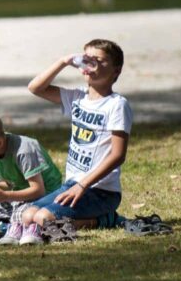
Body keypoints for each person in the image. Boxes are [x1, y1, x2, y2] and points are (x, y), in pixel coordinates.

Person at [18, 39, 132, 245]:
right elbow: (35, 88)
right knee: (27, 215)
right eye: (88, 60)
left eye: (100, 61)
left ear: (116, 71)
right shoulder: (77, 97)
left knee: (43, 218)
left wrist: (83, 185)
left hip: (101, 191)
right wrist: (64, 61)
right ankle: (84, 217)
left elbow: (118, 155)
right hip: (72, 184)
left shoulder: (117, 105)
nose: (92, 65)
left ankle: (104, 219)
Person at [0, 112, 63, 245]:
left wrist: (6, 196)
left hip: (46, 195)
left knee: (22, 209)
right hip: (19, 194)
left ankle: (30, 229)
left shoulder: (24, 151)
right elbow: (7, 184)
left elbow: (39, 190)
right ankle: (13, 222)